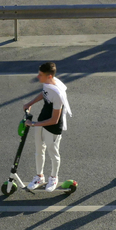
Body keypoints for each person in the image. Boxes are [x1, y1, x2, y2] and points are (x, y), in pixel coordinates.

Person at [22, 62, 72, 192]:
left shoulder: (58, 94)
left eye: (40, 75)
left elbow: (54, 119)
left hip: (52, 127)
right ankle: (40, 177)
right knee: (39, 151)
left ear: (49, 76)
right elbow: (44, 93)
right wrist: (30, 103)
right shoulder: (47, 84)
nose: (38, 77)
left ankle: (53, 178)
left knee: (53, 153)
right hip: (41, 121)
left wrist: (33, 124)